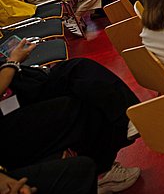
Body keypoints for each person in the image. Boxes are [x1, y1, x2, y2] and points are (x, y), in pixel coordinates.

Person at [0, 39, 141, 192]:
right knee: (81, 108)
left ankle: (130, 116)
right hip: (6, 121)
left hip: (15, 90)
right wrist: (12, 62)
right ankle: (103, 172)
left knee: (78, 69)